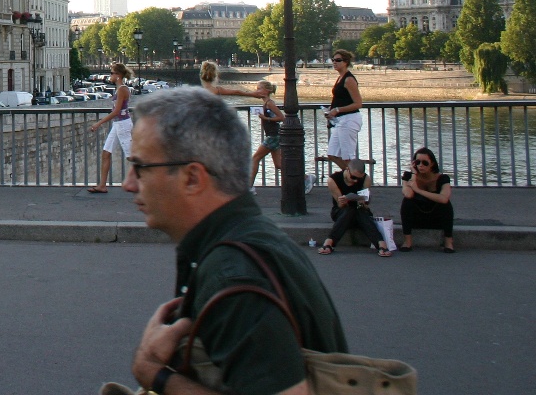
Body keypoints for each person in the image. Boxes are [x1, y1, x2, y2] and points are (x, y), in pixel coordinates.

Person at [121, 87, 347, 395]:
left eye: (140, 167)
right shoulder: (250, 239)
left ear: (192, 178)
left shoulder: (233, 274)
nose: (128, 184)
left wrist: (151, 372)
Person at [317, 158, 392, 257]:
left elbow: (365, 204)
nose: (355, 180)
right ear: (347, 169)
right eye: (353, 177)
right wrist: (344, 201)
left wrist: (363, 201)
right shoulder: (333, 180)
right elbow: (340, 205)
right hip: (341, 212)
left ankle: (329, 242)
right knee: (350, 210)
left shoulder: (366, 179)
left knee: (359, 211)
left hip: (360, 211)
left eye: (358, 179)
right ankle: (381, 243)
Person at [87, 62, 133, 193]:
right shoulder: (120, 89)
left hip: (122, 124)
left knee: (131, 156)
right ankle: (102, 185)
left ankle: (150, 181)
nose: (110, 76)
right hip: (119, 124)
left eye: (112, 73)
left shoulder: (122, 89)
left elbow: (116, 111)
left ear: (118, 75)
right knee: (106, 153)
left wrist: (98, 123)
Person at [400, 146, 455, 252]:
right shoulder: (409, 176)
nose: (421, 165)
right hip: (417, 217)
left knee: (446, 205)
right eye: (417, 162)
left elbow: (444, 198)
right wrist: (414, 174)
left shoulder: (442, 178)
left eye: (425, 163)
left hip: (436, 217)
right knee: (407, 202)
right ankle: (407, 242)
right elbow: (408, 194)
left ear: (432, 163)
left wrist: (418, 190)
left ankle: (448, 242)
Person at [321, 49, 364, 171]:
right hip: (340, 121)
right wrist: (331, 110)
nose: (334, 62)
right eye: (333, 60)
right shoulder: (340, 78)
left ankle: (357, 179)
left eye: (338, 60)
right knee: (332, 154)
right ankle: (349, 176)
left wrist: (337, 110)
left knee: (348, 157)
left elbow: (358, 103)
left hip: (349, 120)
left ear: (346, 62)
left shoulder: (349, 79)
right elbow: (341, 99)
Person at [247, 81, 284, 190]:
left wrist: (265, 118)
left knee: (255, 158)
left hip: (273, 136)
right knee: (279, 164)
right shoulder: (267, 103)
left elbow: (282, 117)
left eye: (259, 89)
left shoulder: (269, 103)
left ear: (267, 91)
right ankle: (305, 178)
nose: (257, 91)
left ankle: (249, 187)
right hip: (274, 135)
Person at [198, 61, 267, 99]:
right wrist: (253, 94)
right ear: (215, 76)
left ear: (201, 75)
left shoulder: (196, 91)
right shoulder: (217, 90)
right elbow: (237, 92)